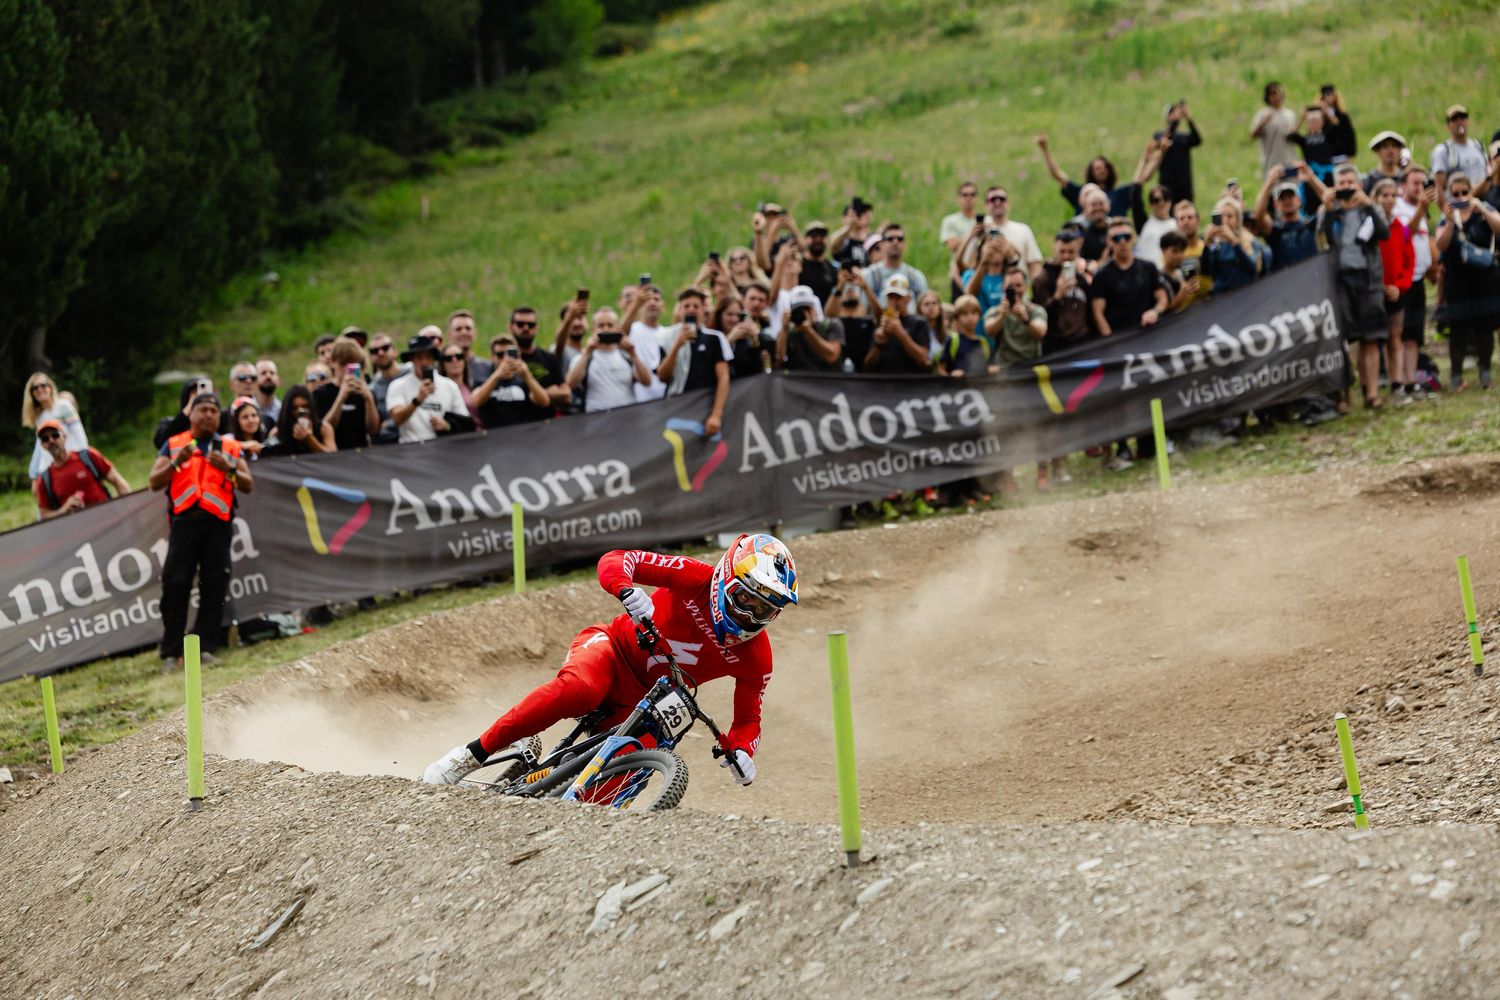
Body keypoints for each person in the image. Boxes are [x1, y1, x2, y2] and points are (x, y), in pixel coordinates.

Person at [423, 535, 799, 786]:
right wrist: (625, 589)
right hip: (611, 649)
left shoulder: (757, 657)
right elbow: (618, 559)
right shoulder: (695, 576)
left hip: (651, 697)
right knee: (580, 689)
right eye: (744, 598)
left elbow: (748, 720)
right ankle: (469, 756)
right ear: (723, 579)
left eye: (764, 609)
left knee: (641, 758)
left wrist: (743, 751)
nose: (749, 615)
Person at [147, 393, 253, 670]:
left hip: (218, 523)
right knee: (175, 583)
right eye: (202, 410)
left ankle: (205, 646)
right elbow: (153, 482)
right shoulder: (174, 444)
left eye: (213, 411)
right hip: (185, 523)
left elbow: (248, 483)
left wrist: (228, 469)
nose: (208, 415)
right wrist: (175, 463)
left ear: (220, 417)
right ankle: (171, 651)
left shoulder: (229, 446)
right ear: (191, 414)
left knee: (215, 582)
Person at [1318, 164, 1390, 408]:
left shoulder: (1370, 208)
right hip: (1340, 281)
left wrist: (1369, 204)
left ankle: (1371, 393)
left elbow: (1384, 233)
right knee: (1343, 340)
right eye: (1342, 183)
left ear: (1359, 185)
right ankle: (1343, 396)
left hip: (1368, 279)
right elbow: (1322, 242)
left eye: (1351, 182)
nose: (1346, 187)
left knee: (1371, 337)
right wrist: (1328, 211)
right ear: (1335, 186)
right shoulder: (1329, 210)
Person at [1434, 172, 1500, 391]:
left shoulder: (1483, 211)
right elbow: (1441, 245)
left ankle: (1485, 371)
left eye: (1465, 192)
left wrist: (1481, 208)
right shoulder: (1446, 217)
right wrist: (1452, 222)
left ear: (1471, 192)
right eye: (1456, 193)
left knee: (1485, 326)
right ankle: (1455, 374)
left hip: (1484, 276)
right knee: (1458, 328)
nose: (1461, 196)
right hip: (1457, 278)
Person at [1393, 168, 1440, 400]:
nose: (1419, 187)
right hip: (1402, 281)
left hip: (1419, 278)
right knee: (1400, 335)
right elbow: (1403, 234)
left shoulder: (1422, 210)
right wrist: (1422, 208)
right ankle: (1398, 382)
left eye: (1423, 183)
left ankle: (1412, 381)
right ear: (1403, 185)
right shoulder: (1398, 207)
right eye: (1415, 183)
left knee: (1414, 336)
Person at [658, 290, 732, 435]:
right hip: (675, 409)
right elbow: (663, 377)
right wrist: (677, 346)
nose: (691, 309)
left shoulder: (715, 338)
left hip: (704, 409)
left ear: (703, 309)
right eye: (686, 306)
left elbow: (723, 378)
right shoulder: (667, 337)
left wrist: (716, 415)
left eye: (695, 306)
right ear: (680, 310)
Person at [1373, 179, 1416, 404]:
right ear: (1376, 198)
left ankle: (1397, 382)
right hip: (1373, 291)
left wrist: (1398, 287)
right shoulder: (1370, 229)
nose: (1389, 199)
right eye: (1384, 195)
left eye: (1392, 195)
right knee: (1371, 339)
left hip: (1397, 291)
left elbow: (1410, 261)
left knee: (1395, 336)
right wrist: (1379, 286)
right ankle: (1371, 386)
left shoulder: (1403, 228)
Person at [32, 419, 129, 520]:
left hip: (109, 521)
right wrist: (63, 510)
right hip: (77, 532)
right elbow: (44, 514)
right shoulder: (44, 479)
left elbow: (119, 482)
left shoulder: (88, 456)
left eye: (55, 435)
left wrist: (127, 511)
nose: (51, 440)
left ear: (64, 436)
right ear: (42, 446)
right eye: (45, 439)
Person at [1089, 218, 1168, 337]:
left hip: (1150, 332)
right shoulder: (1101, 275)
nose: (1122, 242)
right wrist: (1111, 341)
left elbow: (1162, 298)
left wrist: (1155, 312)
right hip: (1120, 337)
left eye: (1126, 237)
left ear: (1134, 238)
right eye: (1116, 239)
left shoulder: (1148, 267)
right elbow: (1098, 314)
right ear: (1109, 242)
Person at [566, 307, 652, 412]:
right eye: (601, 325)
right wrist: (588, 352)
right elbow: (571, 384)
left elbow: (647, 381)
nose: (606, 329)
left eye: (610, 325)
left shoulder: (626, 356)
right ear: (593, 329)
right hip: (596, 418)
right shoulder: (583, 357)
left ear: (617, 329)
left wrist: (633, 354)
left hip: (627, 417)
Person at [384, 334, 467, 442]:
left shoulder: (450, 386)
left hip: (444, 449)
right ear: (411, 359)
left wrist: (447, 425)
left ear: (433, 359)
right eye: (419, 358)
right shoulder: (398, 385)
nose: (424, 362)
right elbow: (397, 419)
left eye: (428, 357)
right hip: (411, 450)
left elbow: (465, 422)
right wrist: (418, 400)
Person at [1032, 227, 1094, 354]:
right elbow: (1038, 316)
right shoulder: (1042, 279)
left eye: (1071, 252)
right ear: (1054, 249)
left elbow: (1090, 312)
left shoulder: (1082, 279)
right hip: (1055, 345)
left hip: (1082, 344)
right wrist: (1057, 296)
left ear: (1078, 251)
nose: (1066, 256)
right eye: (1062, 251)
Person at [1252, 165, 1325, 272]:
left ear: (1299, 201)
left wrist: (1312, 179)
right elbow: (1258, 215)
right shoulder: (1276, 232)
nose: (1287, 201)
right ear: (1276, 205)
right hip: (1286, 284)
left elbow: (1330, 202)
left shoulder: (1312, 225)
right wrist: (1269, 183)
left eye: (1290, 196)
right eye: (1282, 198)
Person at [472, 332, 553, 427]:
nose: (505, 359)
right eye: (500, 355)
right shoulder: (483, 382)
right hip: (493, 438)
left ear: (518, 355)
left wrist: (527, 375)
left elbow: (545, 402)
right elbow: (474, 403)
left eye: (510, 354)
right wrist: (497, 375)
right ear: (492, 357)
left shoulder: (524, 382)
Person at [314, 337, 380, 450]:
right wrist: (341, 397)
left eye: (353, 365)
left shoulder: (365, 392)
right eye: (343, 364)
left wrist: (369, 398)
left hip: (361, 453)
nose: (346, 370)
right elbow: (324, 430)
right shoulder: (321, 393)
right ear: (333, 363)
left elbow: (373, 430)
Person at [21, 372, 89, 481]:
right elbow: (42, 446)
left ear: (50, 387)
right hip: (51, 467)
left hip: (71, 459)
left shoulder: (63, 406)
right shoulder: (39, 417)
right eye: (35, 388)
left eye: (43, 385)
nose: (40, 389)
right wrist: (38, 470)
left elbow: (79, 433)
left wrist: (84, 457)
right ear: (32, 393)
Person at [863, 274, 936, 373]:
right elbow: (867, 365)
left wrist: (900, 333)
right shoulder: (881, 322)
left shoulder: (919, 323)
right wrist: (878, 344)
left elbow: (924, 361)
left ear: (908, 299)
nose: (894, 302)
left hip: (910, 383)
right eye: (890, 297)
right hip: (883, 384)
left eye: (898, 297)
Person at [984, 270, 1048, 368]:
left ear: (1026, 286)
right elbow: (989, 331)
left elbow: (1041, 333)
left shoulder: (1036, 310)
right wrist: (1001, 316)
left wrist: (1025, 319)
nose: (1015, 290)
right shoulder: (995, 311)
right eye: (1010, 287)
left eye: (1018, 285)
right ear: (1003, 287)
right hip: (1005, 367)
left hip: (1032, 365)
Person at [1200, 198, 1265, 293]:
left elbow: (1253, 270)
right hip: (1221, 296)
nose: (1225, 221)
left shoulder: (1248, 239)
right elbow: (1206, 272)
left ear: (1238, 219)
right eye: (1221, 216)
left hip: (1245, 293)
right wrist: (1206, 245)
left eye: (1230, 216)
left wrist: (1234, 242)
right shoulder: (1216, 243)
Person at [775, 285, 845, 372]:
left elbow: (831, 356)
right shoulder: (789, 332)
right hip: (799, 381)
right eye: (799, 310)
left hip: (827, 381)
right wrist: (784, 329)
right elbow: (780, 358)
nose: (804, 314)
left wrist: (808, 331)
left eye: (807, 309)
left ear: (815, 309)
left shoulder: (831, 325)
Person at [1432, 105, 1488, 210]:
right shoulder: (1443, 151)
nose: (1459, 122)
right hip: (1459, 207)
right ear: (1448, 125)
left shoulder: (1478, 146)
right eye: (1454, 119)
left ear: (1468, 121)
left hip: (1482, 205)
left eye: (1463, 118)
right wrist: (1448, 216)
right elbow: (1439, 188)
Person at [863, 224, 928, 314]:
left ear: (905, 244)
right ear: (882, 244)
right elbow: (861, 311)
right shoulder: (868, 276)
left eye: (900, 239)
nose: (895, 242)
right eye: (890, 239)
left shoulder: (916, 277)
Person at [262, 385, 335, 456]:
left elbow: (334, 457)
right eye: (295, 408)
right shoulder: (278, 432)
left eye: (304, 407)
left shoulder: (324, 428)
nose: (299, 412)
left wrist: (310, 439)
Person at [1158, 99, 1202, 205]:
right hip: (1167, 186)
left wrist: (1188, 119)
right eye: (1171, 113)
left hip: (1184, 186)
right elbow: (1167, 137)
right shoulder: (1159, 136)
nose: (1174, 115)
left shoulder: (1183, 138)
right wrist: (1175, 120)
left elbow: (1197, 140)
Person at [1250, 82, 1297, 179]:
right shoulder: (1262, 114)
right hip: (1271, 162)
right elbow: (1253, 135)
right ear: (1268, 97)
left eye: (1279, 92)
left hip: (1289, 160)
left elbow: (1295, 137)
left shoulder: (1290, 114)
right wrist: (1263, 123)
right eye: (1274, 93)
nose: (1278, 96)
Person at [367, 332, 407, 444]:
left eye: (385, 348)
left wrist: (388, 424)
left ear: (395, 351)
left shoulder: (411, 372)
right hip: (389, 443)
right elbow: (375, 428)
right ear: (370, 357)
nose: (380, 353)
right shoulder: (372, 388)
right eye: (374, 351)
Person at [1135, 185, 1177, 267]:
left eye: (1165, 198)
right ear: (1151, 205)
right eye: (1156, 200)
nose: (1161, 203)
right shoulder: (1145, 226)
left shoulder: (1176, 224)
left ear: (1170, 202)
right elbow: (1136, 202)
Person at [798, 221, 839, 304]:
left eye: (822, 236)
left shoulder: (832, 269)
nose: (818, 239)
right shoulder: (798, 266)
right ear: (805, 239)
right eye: (814, 236)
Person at [253, 358, 281, 426]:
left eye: (272, 373)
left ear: (278, 379)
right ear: (254, 380)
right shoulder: (248, 409)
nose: (268, 376)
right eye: (263, 373)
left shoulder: (283, 410)